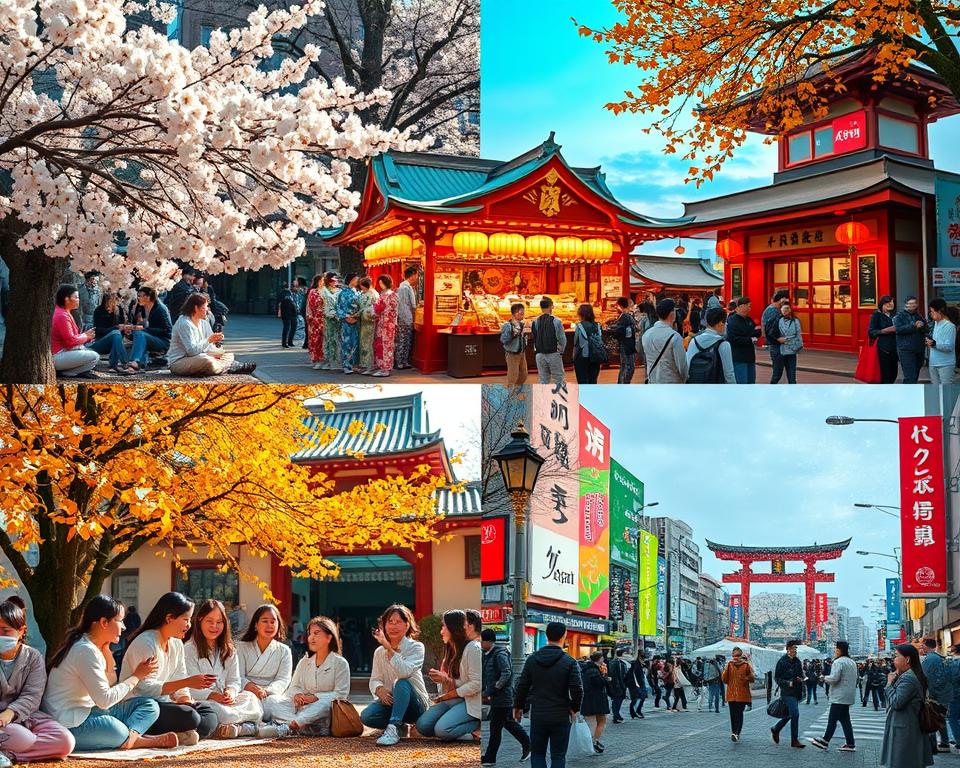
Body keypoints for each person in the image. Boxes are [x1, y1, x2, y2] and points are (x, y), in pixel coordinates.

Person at [43, 595, 177, 752]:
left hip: (89, 711)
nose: (124, 627)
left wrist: (107, 655)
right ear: (103, 623)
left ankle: (131, 738)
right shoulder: (85, 650)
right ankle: (137, 740)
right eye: (120, 621)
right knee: (116, 730)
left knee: (149, 705)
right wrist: (136, 676)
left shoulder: (93, 647)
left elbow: (109, 687)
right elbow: (105, 700)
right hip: (69, 722)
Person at [120, 592, 218, 742]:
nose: (189, 625)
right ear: (169, 618)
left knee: (209, 715)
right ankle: (169, 732)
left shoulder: (176, 643)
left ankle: (179, 732)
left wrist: (185, 698)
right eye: (185, 619)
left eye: (190, 620)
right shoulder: (145, 643)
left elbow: (179, 675)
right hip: (142, 706)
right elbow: (144, 689)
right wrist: (187, 683)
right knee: (190, 716)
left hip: (165, 704)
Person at [0, 596, 74, 764]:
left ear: (21, 631)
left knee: (65, 741)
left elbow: (32, 695)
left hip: (26, 716)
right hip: (4, 724)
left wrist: (10, 712)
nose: (0, 635)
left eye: (5, 631)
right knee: (22, 737)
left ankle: (9, 755)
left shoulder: (33, 657)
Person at [183, 599, 265, 739]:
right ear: (200, 620)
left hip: (227, 700)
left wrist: (231, 692)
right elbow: (190, 685)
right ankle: (246, 727)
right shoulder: (189, 649)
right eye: (210, 621)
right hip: (205, 700)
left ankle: (237, 727)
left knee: (251, 698)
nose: (214, 626)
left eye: (219, 622)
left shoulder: (229, 650)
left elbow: (235, 680)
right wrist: (213, 695)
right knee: (222, 713)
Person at [513, 621, 583, 768]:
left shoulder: (532, 659)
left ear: (546, 635)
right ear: (564, 635)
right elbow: (577, 688)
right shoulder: (569, 662)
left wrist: (518, 706)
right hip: (561, 714)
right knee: (558, 755)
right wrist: (574, 708)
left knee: (538, 754)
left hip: (538, 714)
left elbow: (522, 686)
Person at [361, 604, 429, 746]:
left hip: (416, 704)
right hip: (392, 702)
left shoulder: (416, 647)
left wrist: (388, 647)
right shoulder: (379, 652)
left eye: (398, 622)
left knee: (402, 682)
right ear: (384, 626)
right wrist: (379, 689)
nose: (393, 626)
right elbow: (374, 679)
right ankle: (399, 725)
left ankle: (392, 728)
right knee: (367, 716)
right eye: (390, 622)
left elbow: (403, 672)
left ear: (407, 625)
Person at [269, 616, 350, 736]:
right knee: (273, 700)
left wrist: (316, 697)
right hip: (302, 709)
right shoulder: (305, 661)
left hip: (326, 712)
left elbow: (341, 694)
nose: (311, 637)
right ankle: (295, 725)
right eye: (310, 633)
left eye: (316, 633)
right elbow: (294, 687)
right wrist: (297, 696)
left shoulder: (340, 663)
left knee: (326, 702)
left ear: (329, 637)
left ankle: (291, 725)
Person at [416, 610, 480, 742]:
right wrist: (444, 680)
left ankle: (477, 729)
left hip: (469, 700)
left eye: (444, 626)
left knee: (442, 730)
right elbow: (453, 681)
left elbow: (476, 684)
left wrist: (447, 690)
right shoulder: (450, 649)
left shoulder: (473, 648)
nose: (441, 631)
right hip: (454, 699)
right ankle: (454, 726)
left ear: (453, 628)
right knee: (423, 726)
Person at [235, 605, 292, 731]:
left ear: (278, 625)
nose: (269, 625)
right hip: (247, 692)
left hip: (270, 695)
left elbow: (283, 679)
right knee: (247, 701)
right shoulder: (241, 648)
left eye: (273, 621)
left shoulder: (284, 651)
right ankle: (251, 727)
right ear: (256, 624)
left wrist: (267, 691)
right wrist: (253, 688)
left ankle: (257, 726)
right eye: (265, 621)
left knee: (276, 704)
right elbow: (237, 676)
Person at [168, 294, 255, 376]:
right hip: (180, 361)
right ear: (196, 308)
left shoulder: (203, 322)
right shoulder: (184, 323)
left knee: (227, 354)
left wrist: (216, 349)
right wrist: (209, 340)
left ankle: (223, 366)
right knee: (207, 361)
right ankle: (229, 367)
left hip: (200, 355)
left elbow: (209, 347)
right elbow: (191, 351)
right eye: (205, 307)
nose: (207, 310)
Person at [480, 629, 529, 767]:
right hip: (497, 697)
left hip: (502, 697)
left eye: (482, 641)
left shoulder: (500, 654)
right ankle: (528, 744)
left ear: (489, 641)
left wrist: (496, 687)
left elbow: (506, 672)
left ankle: (490, 758)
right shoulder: (487, 654)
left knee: (495, 728)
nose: (481, 644)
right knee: (508, 724)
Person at [881, 643, 934, 768]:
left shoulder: (908, 678)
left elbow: (896, 702)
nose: (894, 660)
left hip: (905, 728)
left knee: (904, 761)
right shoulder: (909, 675)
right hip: (907, 725)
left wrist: (889, 684)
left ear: (907, 659)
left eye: (896, 656)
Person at [808, 640, 858, 752]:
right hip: (848, 695)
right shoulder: (851, 662)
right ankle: (850, 743)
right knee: (845, 720)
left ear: (840, 649)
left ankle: (825, 741)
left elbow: (835, 678)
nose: (835, 651)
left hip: (839, 695)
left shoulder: (838, 662)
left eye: (836, 648)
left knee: (832, 719)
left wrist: (823, 678)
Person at [51, 285, 100, 378]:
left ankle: (69, 371)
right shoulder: (62, 315)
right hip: (57, 356)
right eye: (76, 297)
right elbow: (70, 341)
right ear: (67, 299)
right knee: (94, 356)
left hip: (61, 352)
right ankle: (68, 373)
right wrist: (86, 336)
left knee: (88, 351)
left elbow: (71, 338)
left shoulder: (63, 312)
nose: (78, 300)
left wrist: (86, 336)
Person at [641, 299, 687, 383]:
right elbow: (682, 366)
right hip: (671, 383)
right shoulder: (675, 337)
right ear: (672, 314)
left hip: (652, 381)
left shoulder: (646, 334)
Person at [685, 306, 735, 383]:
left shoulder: (694, 341)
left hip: (695, 387)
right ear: (721, 323)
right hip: (715, 389)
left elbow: (687, 366)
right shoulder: (723, 345)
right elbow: (729, 374)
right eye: (725, 322)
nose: (726, 325)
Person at [127, 287, 172, 372]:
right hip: (152, 336)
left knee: (140, 333)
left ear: (148, 297)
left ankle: (135, 361)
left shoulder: (160, 309)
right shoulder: (144, 307)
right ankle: (138, 364)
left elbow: (167, 330)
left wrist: (145, 329)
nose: (138, 298)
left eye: (140, 296)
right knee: (139, 334)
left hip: (164, 340)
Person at [920, 637, 953, 752]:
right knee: (939, 718)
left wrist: (930, 695)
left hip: (935, 694)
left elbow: (926, 677)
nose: (921, 647)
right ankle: (944, 743)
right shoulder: (938, 657)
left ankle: (933, 745)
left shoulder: (930, 659)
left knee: (932, 717)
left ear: (927, 646)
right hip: (943, 692)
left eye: (922, 645)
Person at [771, 640, 805, 748]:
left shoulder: (797, 661)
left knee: (789, 714)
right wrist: (788, 683)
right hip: (787, 692)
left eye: (796, 648)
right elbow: (777, 678)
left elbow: (800, 675)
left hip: (796, 691)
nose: (795, 650)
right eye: (793, 648)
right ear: (788, 649)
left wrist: (801, 679)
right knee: (795, 714)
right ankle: (794, 740)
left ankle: (776, 729)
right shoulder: (782, 662)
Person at [90, 291, 134, 374]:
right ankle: (125, 363)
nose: (115, 302)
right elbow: (98, 330)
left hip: (116, 340)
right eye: (112, 299)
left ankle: (113, 366)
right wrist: (115, 328)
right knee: (115, 333)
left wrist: (125, 330)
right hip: (102, 341)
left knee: (116, 336)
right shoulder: (99, 310)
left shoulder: (119, 310)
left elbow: (120, 332)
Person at [721, 646, 755, 742]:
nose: (735, 657)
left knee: (734, 714)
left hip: (735, 694)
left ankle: (735, 732)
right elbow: (752, 678)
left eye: (736, 655)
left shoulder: (734, 665)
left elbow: (724, 679)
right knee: (738, 714)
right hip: (740, 694)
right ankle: (736, 733)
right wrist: (746, 678)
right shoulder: (743, 665)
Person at [579, 652, 610, 752]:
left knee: (593, 722)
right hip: (597, 699)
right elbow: (599, 683)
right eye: (602, 658)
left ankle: (593, 741)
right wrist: (606, 679)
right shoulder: (594, 670)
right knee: (602, 721)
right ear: (599, 659)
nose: (603, 660)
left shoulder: (587, 669)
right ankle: (594, 741)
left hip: (590, 699)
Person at [726, 296, 762, 383]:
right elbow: (734, 338)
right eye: (748, 306)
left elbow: (758, 332)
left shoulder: (749, 319)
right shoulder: (732, 320)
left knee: (751, 383)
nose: (750, 308)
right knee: (742, 384)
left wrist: (750, 335)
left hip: (750, 357)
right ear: (741, 306)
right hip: (739, 358)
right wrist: (750, 337)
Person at [531, 297, 566, 385]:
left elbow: (534, 337)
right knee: (559, 379)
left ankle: (543, 398)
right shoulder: (557, 321)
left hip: (539, 355)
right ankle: (560, 398)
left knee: (543, 380)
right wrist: (560, 351)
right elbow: (562, 339)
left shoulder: (535, 322)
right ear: (551, 306)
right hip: (553, 353)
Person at [894, 296, 929, 384]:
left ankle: (913, 393)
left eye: (914, 303)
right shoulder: (899, 316)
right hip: (905, 350)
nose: (912, 305)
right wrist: (913, 325)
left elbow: (926, 330)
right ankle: (907, 394)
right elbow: (899, 329)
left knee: (916, 374)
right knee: (910, 376)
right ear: (906, 305)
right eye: (910, 304)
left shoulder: (919, 316)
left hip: (919, 349)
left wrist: (923, 325)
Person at [372, 275, 399, 377]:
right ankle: (381, 366)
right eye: (379, 283)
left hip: (388, 324)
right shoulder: (382, 294)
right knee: (380, 344)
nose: (381, 285)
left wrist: (382, 309)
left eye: (382, 283)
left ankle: (386, 368)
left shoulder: (392, 295)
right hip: (381, 322)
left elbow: (393, 310)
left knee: (387, 345)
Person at [926, 298, 958, 385]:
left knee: (946, 392)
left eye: (932, 311)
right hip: (933, 363)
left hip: (946, 364)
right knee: (936, 391)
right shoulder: (935, 323)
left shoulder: (949, 326)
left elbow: (949, 346)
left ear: (940, 311)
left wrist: (934, 344)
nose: (930, 314)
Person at [868, 295, 899, 383]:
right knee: (885, 375)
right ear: (882, 305)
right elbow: (871, 332)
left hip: (895, 349)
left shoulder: (896, 315)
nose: (890, 304)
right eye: (887, 303)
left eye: (892, 302)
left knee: (894, 374)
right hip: (883, 349)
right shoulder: (877, 315)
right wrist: (884, 331)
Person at [762, 289, 791, 383]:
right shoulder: (773, 311)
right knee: (778, 373)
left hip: (779, 345)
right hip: (776, 346)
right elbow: (773, 330)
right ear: (782, 300)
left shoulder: (775, 310)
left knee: (781, 373)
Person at [336, 273, 362, 374]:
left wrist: (357, 316)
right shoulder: (343, 292)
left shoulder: (356, 292)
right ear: (351, 280)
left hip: (356, 319)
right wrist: (346, 317)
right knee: (346, 343)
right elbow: (339, 307)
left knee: (355, 342)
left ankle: (353, 364)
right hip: (346, 321)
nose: (357, 281)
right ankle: (346, 365)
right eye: (356, 279)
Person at [607, 298, 638, 384]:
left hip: (625, 345)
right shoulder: (626, 316)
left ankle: (622, 385)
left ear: (620, 306)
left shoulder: (624, 316)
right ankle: (624, 385)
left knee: (625, 366)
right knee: (628, 367)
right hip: (628, 345)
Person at [572, 303, 603, 384]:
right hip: (596, 355)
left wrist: (573, 357)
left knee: (582, 380)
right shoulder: (598, 325)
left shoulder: (579, 326)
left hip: (582, 356)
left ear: (580, 314)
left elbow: (576, 342)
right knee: (593, 380)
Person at [394, 265, 419, 369]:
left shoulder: (403, 286)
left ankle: (402, 361)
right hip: (406, 317)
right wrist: (414, 318)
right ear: (412, 275)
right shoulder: (407, 287)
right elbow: (413, 305)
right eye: (417, 275)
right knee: (404, 340)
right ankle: (401, 362)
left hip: (402, 316)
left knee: (403, 339)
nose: (417, 278)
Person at [500, 302, 528, 386]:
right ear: (515, 313)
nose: (522, 315)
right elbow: (503, 339)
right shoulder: (508, 326)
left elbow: (524, 337)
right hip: (512, 354)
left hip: (521, 352)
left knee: (523, 375)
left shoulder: (522, 324)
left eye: (523, 313)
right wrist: (514, 334)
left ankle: (517, 389)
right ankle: (511, 393)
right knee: (513, 376)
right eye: (521, 313)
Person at [776, 300, 803, 383]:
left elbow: (798, 335)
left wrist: (796, 346)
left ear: (790, 310)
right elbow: (773, 333)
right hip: (781, 351)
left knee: (792, 376)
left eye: (787, 308)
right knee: (777, 375)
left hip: (792, 350)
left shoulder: (795, 321)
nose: (785, 310)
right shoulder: (778, 320)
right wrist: (778, 339)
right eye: (783, 309)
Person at [357, 277, 379, 374]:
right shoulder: (375, 293)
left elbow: (364, 307)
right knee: (368, 342)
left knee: (367, 343)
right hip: (369, 321)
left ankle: (368, 365)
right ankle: (368, 364)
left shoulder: (368, 295)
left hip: (367, 320)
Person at [320, 273, 341, 370]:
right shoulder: (323, 291)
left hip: (337, 318)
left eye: (336, 280)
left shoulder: (339, 291)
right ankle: (328, 359)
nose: (335, 282)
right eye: (333, 280)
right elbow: (321, 305)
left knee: (336, 338)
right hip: (327, 318)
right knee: (328, 338)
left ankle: (336, 359)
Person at [306, 275, 325, 370]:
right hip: (315, 318)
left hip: (324, 318)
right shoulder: (312, 291)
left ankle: (323, 359)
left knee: (323, 339)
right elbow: (308, 305)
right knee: (315, 339)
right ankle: (315, 359)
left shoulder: (325, 291)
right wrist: (310, 316)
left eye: (323, 281)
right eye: (321, 281)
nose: (322, 282)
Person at [607, 649, 629, 723]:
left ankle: (617, 714)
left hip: (621, 685)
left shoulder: (621, 663)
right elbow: (615, 676)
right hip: (617, 686)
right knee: (617, 701)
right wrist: (618, 686)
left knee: (619, 700)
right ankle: (615, 716)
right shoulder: (614, 663)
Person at [946, 644, 960, 751]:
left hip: (955, 693)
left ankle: (958, 740)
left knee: (952, 718)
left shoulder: (952, 663)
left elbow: (949, 679)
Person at [278, 282, 298, 349]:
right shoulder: (283, 293)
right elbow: (279, 303)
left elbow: (295, 303)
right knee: (286, 328)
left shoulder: (293, 294)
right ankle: (284, 343)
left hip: (293, 313)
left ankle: (290, 341)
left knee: (294, 327)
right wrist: (279, 313)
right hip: (286, 313)